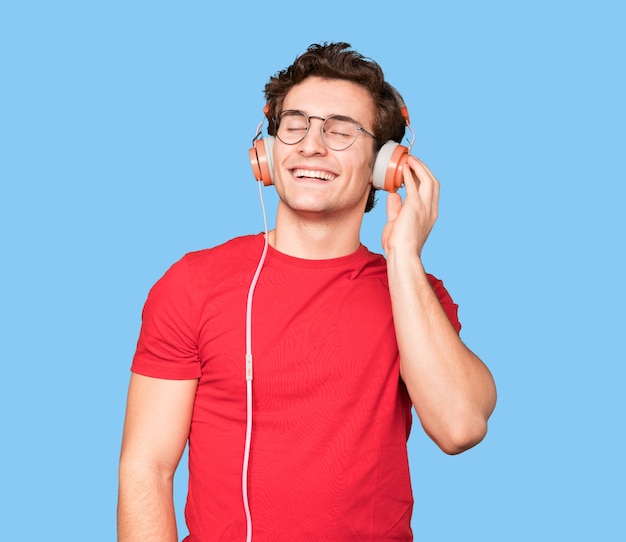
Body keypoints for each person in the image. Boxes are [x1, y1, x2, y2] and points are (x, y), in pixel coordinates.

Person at [117, 42, 497, 542]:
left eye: (341, 131)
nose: (311, 145)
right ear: (268, 151)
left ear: (386, 168)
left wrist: (404, 257)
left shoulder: (415, 294)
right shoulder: (193, 284)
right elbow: (147, 466)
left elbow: (460, 427)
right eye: (295, 124)